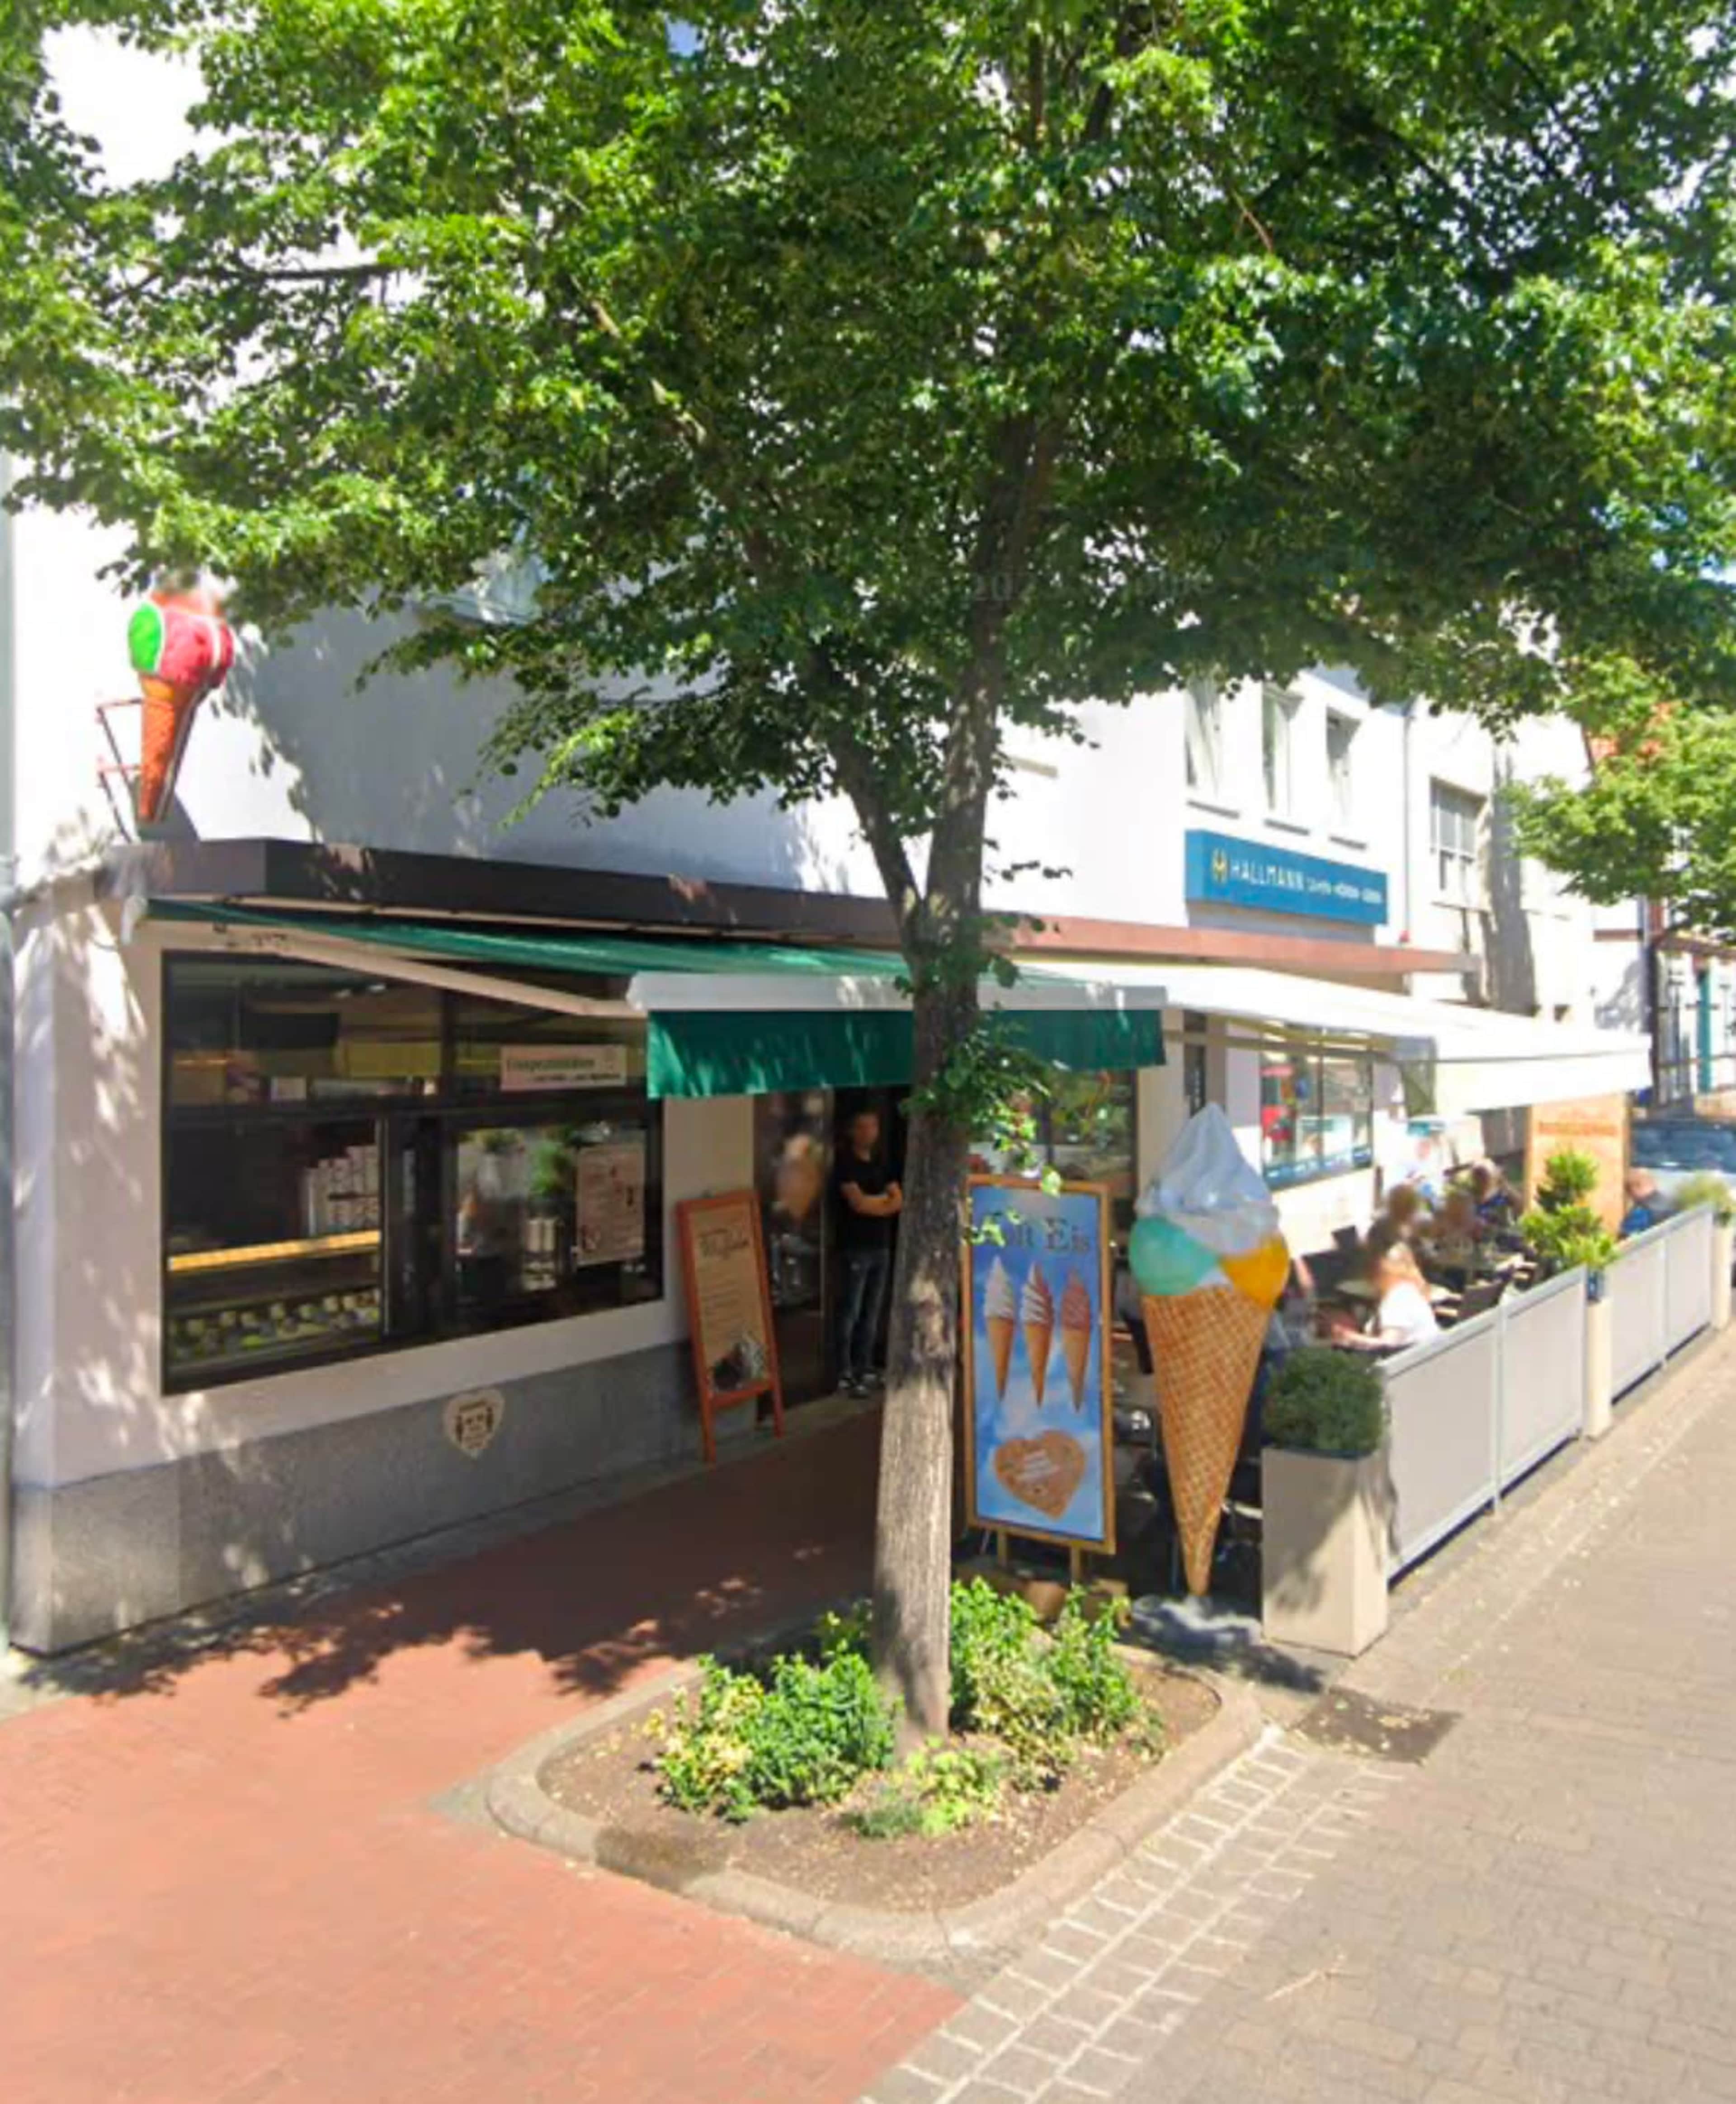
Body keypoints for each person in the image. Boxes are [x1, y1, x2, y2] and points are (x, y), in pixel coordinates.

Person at [832, 1109, 902, 1395]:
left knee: (872, 1311)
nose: (869, 1133)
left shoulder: (881, 1163)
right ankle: (843, 1370)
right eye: (863, 1127)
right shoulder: (845, 1164)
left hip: (881, 1245)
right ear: (852, 1131)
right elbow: (857, 1203)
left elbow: (898, 1200)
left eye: (873, 1126)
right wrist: (882, 1204)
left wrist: (879, 1204)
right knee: (851, 1309)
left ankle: (866, 1366)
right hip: (856, 1246)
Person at [1620, 1170, 1663, 1239]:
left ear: (1637, 1187)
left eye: (1629, 1191)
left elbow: (1627, 1240)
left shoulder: (1640, 1212)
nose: (1631, 1197)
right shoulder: (1671, 1203)